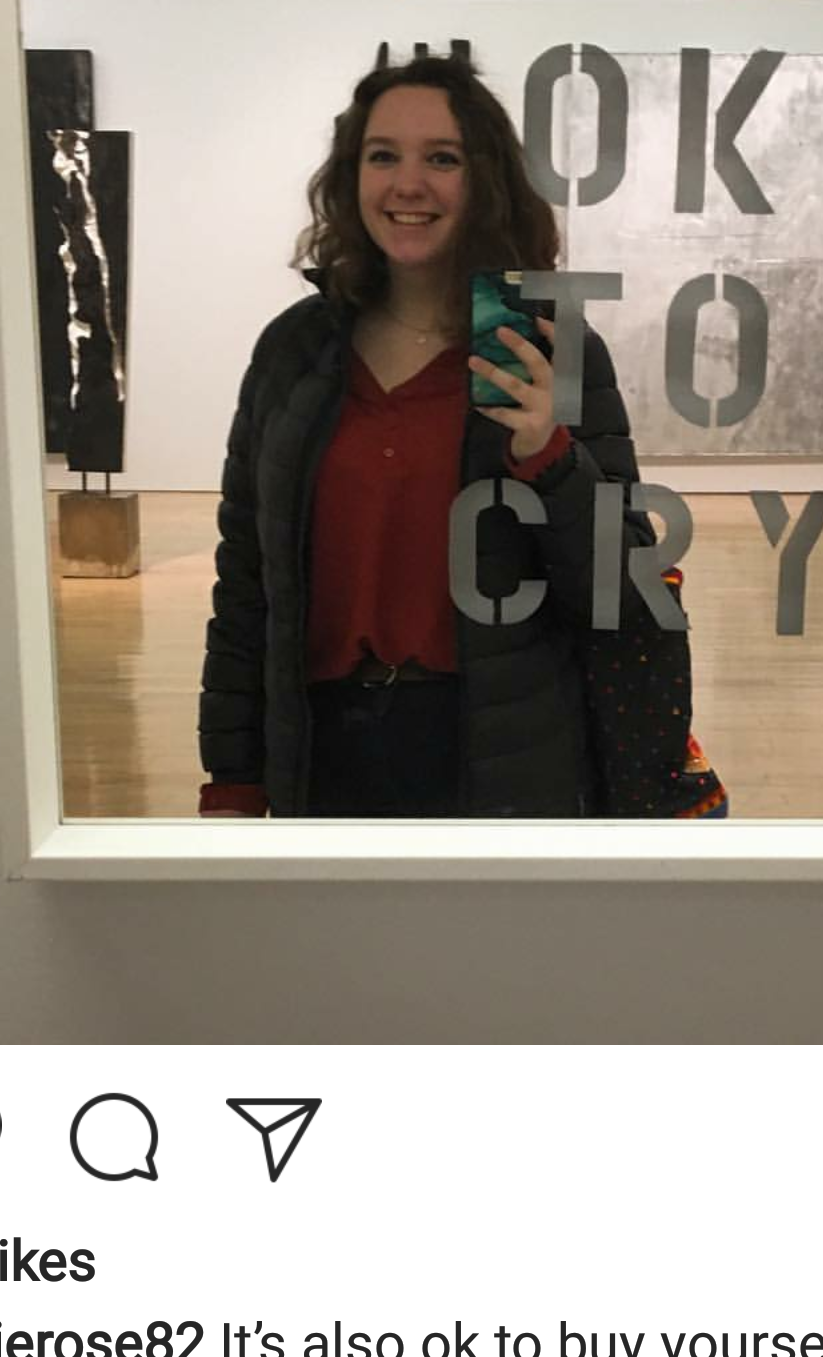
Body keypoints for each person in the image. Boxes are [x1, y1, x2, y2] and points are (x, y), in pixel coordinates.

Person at [196, 50, 659, 819]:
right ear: (351, 177)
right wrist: (233, 778)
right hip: (322, 760)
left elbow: (621, 588)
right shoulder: (294, 352)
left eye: (442, 158)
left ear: (485, 180)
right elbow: (247, 585)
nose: (408, 184)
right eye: (383, 156)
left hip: (499, 765)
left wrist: (549, 459)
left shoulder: (549, 349)